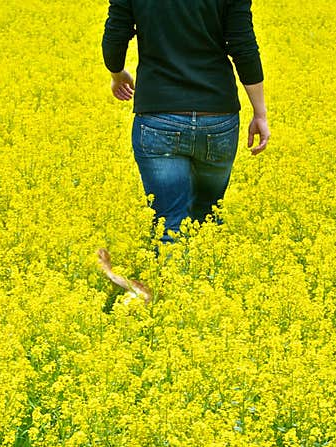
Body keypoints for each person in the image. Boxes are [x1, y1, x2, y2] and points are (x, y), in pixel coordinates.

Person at [101, 0, 270, 261]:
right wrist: (259, 113)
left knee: (169, 224)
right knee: (207, 219)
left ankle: (171, 294)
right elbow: (244, 46)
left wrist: (117, 74)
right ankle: (205, 291)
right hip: (217, 118)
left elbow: (115, 36)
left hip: (159, 118)